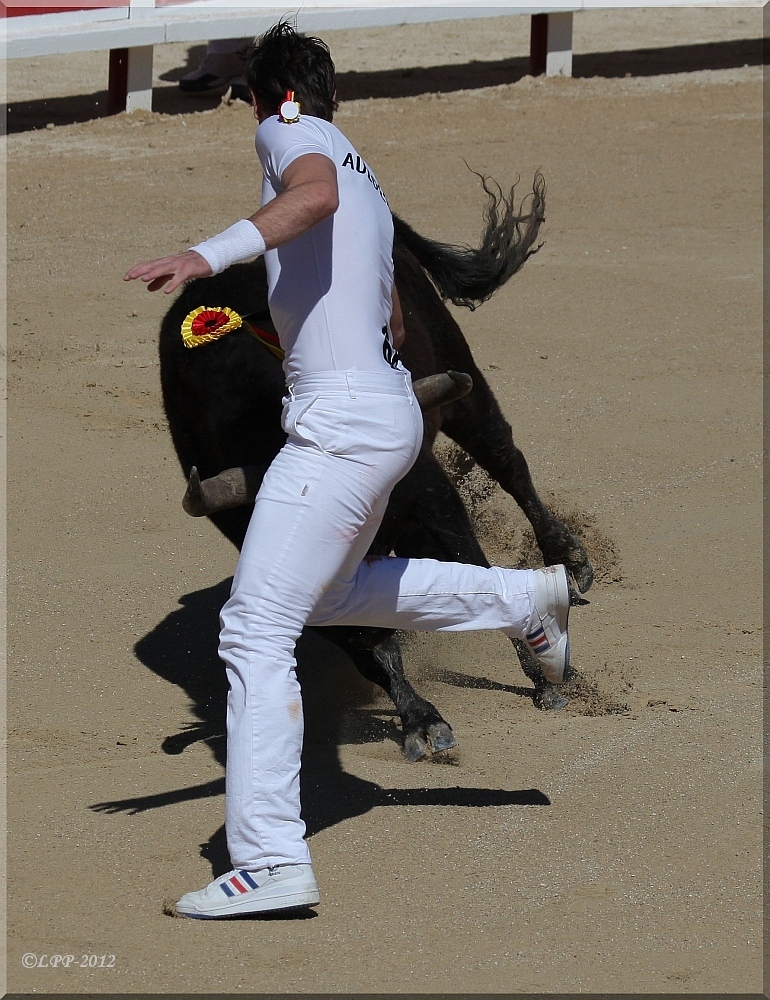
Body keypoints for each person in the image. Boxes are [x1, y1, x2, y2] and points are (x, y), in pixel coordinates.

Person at [125, 20, 577, 920]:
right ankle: (526, 600)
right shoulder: (356, 159)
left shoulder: (291, 133)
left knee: (253, 629)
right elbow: (396, 320)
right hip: (382, 411)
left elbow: (310, 196)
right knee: (325, 597)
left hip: (338, 426)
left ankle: (270, 862)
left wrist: (205, 256)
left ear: (271, 96)